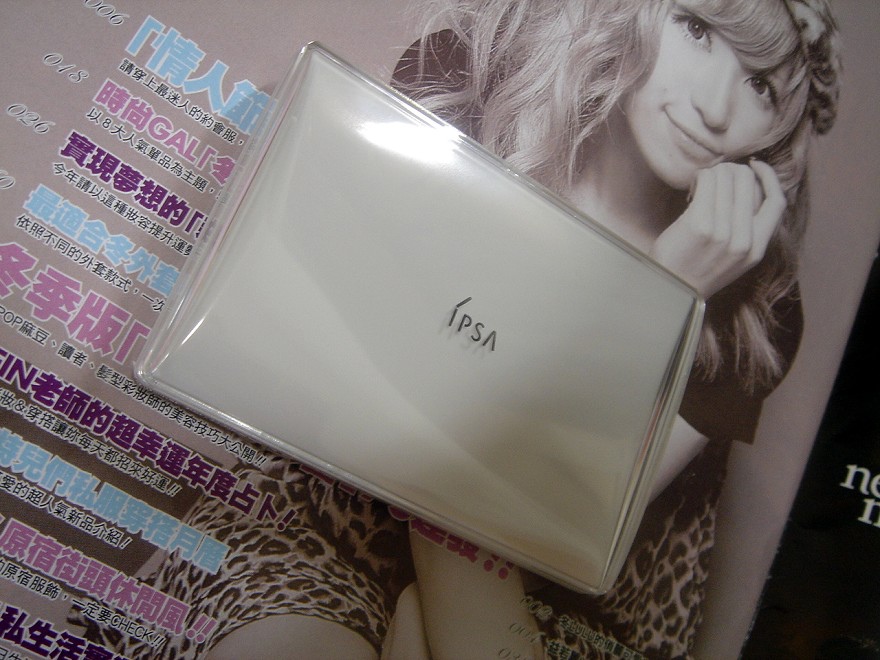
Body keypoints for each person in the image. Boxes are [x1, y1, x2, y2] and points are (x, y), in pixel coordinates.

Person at [384, 0, 842, 657]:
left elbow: (546, 521)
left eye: (761, 85)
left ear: (780, 131)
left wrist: (666, 295)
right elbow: (397, 395)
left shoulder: (757, 305)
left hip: (569, 591)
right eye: (699, 30)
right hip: (345, 494)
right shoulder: (466, 78)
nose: (715, 108)